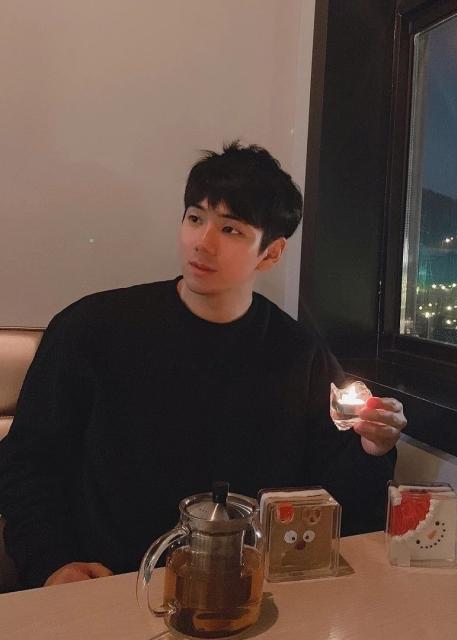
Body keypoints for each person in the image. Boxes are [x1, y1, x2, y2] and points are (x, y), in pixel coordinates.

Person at [0, 142, 406, 590]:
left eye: (230, 229)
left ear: (271, 253)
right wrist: (52, 562)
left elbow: (336, 502)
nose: (202, 242)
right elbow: (26, 463)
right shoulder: (91, 329)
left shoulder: (299, 353)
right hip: (111, 584)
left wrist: (373, 449)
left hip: (247, 589)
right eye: (195, 218)